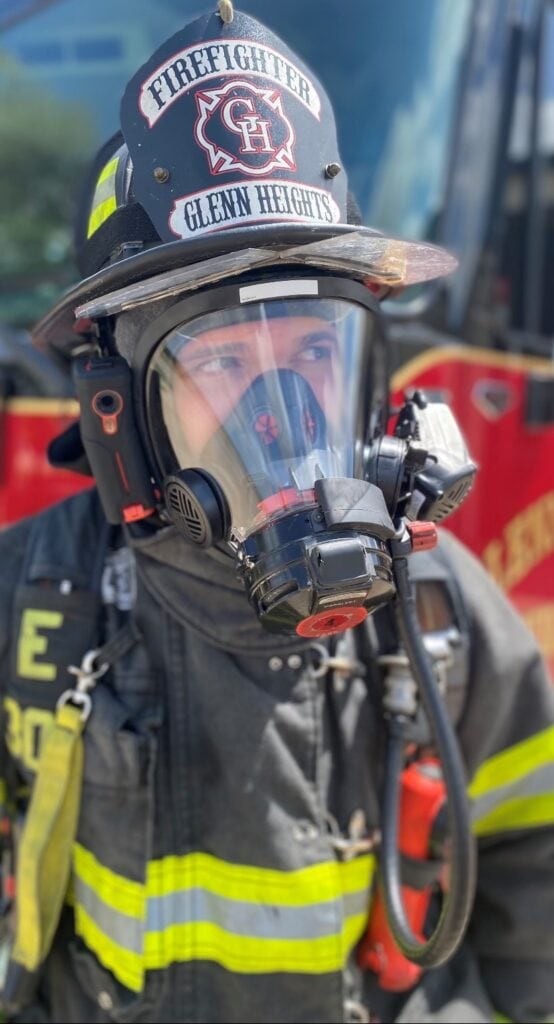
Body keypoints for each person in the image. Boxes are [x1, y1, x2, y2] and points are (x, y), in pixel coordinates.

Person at [0, 3, 553, 1022]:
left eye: (310, 352)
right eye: (218, 359)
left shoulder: (440, 613)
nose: (281, 412)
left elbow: (532, 879)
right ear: (119, 411)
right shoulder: (31, 600)